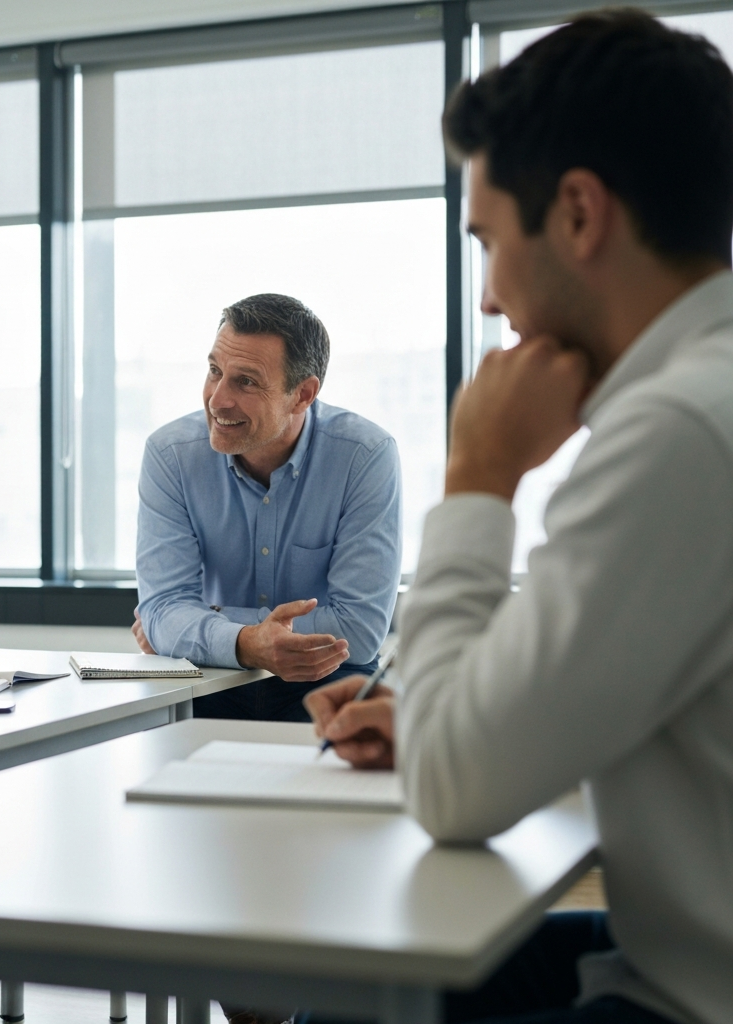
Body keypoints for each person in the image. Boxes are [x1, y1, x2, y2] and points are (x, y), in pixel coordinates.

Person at [308, 11, 733, 1024]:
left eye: (489, 241)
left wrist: (478, 473)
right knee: (369, 987)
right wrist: (456, 721)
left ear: (579, 213)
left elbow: (457, 794)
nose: (493, 298)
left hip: (691, 995)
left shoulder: (676, 432)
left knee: (357, 992)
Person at [134, 292, 401, 722]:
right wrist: (243, 642)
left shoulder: (364, 456)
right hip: (210, 676)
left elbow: (359, 630)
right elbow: (163, 609)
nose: (217, 399)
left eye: (246, 382)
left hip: (329, 678)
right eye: (215, 371)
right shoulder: (171, 455)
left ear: (303, 394)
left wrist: (210, 621)